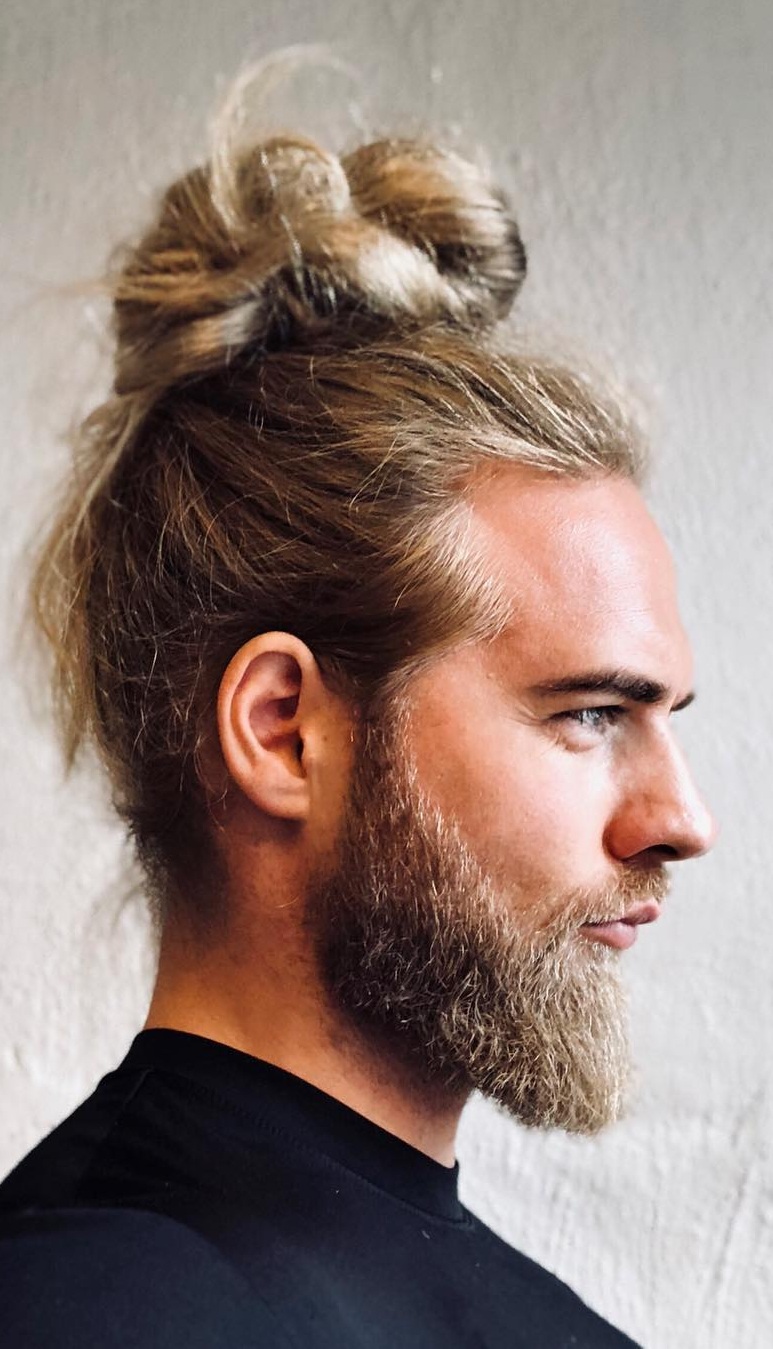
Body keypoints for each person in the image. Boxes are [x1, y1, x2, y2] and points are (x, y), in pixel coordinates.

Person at [0, 73, 715, 1349]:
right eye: (589, 714)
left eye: (665, 715)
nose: (679, 818)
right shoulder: (83, 1304)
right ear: (282, 729)